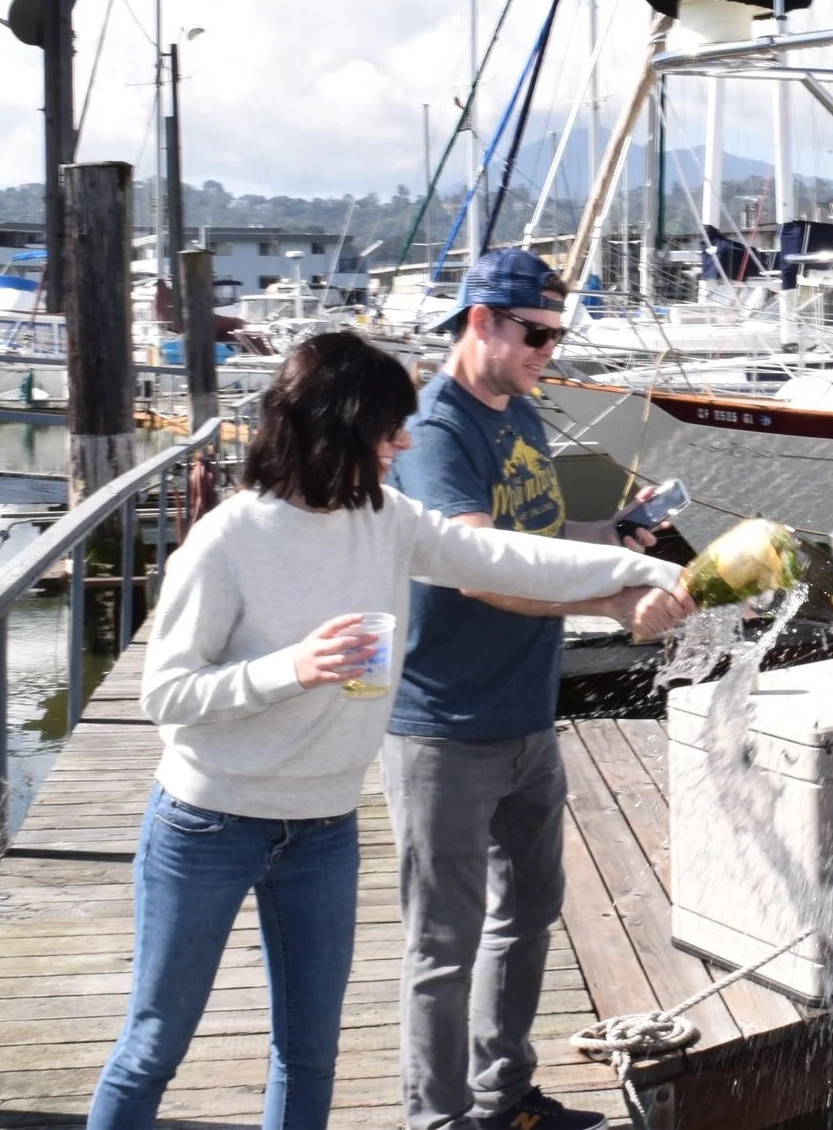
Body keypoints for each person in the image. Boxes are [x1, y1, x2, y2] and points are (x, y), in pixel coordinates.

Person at [86, 330, 690, 1130]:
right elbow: (163, 694)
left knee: (309, 1053)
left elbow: (500, 558)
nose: (402, 443)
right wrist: (291, 668)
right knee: (155, 1042)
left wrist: (644, 571)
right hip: (211, 821)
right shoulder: (227, 539)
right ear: (336, 426)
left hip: (324, 827)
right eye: (387, 428)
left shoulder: (385, 515)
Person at [384, 249, 687, 1130]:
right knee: (443, 941)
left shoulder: (517, 413)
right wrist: (609, 597)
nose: (548, 350)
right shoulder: (435, 427)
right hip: (443, 721)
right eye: (536, 333)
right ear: (480, 319)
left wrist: (616, 529)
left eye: (557, 334)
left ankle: (503, 1094)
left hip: (527, 711)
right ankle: (434, 1118)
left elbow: (540, 533)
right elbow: (479, 567)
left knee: (528, 915)